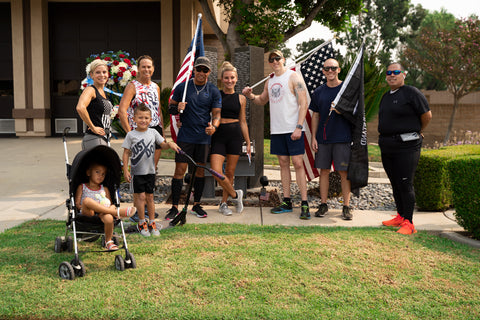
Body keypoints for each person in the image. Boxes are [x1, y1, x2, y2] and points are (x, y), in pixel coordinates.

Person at [242, 50, 310, 220]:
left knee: (298, 163)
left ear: (283, 59)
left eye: (277, 58)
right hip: (277, 130)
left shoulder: (294, 77)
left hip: (293, 128)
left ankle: (304, 203)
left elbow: (304, 103)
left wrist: (299, 126)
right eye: (271, 59)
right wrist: (250, 95)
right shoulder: (270, 80)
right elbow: (261, 100)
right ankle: (286, 201)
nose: (274, 61)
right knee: (283, 163)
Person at [165, 56, 225, 220]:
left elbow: (217, 114)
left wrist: (214, 126)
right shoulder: (182, 87)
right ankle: (174, 207)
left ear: (209, 72)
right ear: (194, 70)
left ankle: (196, 204)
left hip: (203, 137)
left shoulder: (212, 90)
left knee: (200, 171)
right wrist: (177, 107)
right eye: (199, 69)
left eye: (205, 70)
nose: (201, 72)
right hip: (185, 136)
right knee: (179, 171)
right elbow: (170, 108)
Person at [379, 62, 432, 235]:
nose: (392, 75)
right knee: (395, 182)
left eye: (396, 72)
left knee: (405, 182)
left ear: (403, 74)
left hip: (407, 146)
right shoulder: (386, 96)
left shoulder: (411, 93)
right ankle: (401, 216)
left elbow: (427, 115)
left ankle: (409, 223)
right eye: (389, 72)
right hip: (388, 145)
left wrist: (418, 131)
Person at [122, 104, 180, 236]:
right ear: (134, 119)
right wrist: (126, 170)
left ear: (151, 119)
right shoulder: (131, 135)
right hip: (137, 173)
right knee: (140, 197)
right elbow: (126, 153)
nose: (143, 120)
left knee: (150, 197)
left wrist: (170, 144)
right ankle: (142, 223)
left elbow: (163, 145)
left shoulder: (153, 132)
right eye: (140, 117)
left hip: (150, 172)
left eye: (146, 118)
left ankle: (152, 223)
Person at [309, 58, 353, 221]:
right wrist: (313, 137)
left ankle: (346, 206)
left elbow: (355, 111)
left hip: (342, 138)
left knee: (343, 172)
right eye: (327, 69)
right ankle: (323, 204)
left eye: (333, 68)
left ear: (339, 70)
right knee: (324, 172)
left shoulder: (346, 89)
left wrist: (342, 111)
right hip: (323, 138)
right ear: (323, 71)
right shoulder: (319, 92)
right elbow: (315, 115)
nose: (330, 71)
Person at [210, 62, 250, 215]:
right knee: (215, 171)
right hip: (218, 136)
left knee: (230, 173)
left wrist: (247, 141)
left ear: (236, 79)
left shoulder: (241, 98)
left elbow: (243, 121)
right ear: (222, 79)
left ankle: (224, 204)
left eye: (232, 78)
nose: (229, 80)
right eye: (226, 78)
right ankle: (236, 195)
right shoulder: (216, 95)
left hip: (235, 136)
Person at [74, 163, 137, 250]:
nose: (100, 176)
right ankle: (117, 212)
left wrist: (107, 209)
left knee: (109, 218)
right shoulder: (82, 187)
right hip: (87, 212)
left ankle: (108, 241)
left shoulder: (105, 189)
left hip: (103, 212)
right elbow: (77, 204)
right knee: (87, 200)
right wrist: (91, 206)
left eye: (103, 174)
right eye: (97, 172)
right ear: (88, 173)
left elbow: (109, 204)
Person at [119, 55, 163, 169]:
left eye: (149, 66)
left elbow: (158, 110)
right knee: (140, 169)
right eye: (143, 67)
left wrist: (162, 132)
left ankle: (151, 186)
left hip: (155, 129)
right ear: (138, 69)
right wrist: (130, 134)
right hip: (139, 130)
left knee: (153, 168)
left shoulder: (155, 87)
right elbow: (122, 110)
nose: (146, 69)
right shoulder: (132, 86)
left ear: (153, 68)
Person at [76, 59, 113, 150]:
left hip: (104, 138)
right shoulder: (90, 90)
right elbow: (80, 108)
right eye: (98, 72)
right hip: (94, 138)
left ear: (108, 74)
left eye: (104, 72)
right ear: (91, 75)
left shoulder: (103, 93)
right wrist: (92, 127)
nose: (102, 75)